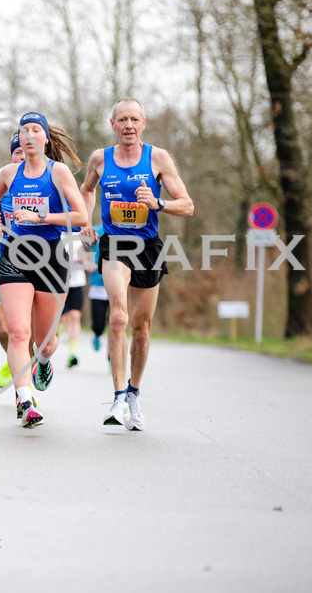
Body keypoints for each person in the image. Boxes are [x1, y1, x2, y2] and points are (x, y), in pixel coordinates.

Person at [79, 98, 194, 431]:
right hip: (114, 244)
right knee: (118, 317)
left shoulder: (157, 158)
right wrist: (87, 220)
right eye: (122, 120)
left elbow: (187, 206)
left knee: (141, 330)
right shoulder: (100, 159)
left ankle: (133, 394)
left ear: (144, 123)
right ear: (112, 124)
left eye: (134, 119)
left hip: (148, 246)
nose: (128, 125)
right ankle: (116, 397)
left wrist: (157, 203)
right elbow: (87, 190)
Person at [0, 113, 87, 428]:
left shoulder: (59, 172)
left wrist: (41, 218)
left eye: (35, 129)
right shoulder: (8, 173)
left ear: (45, 140)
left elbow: (80, 217)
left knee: (45, 341)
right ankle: (25, 400)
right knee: (17, 332)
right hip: (15, 255)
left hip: (52, 257)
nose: (29, 134)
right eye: (23, 130)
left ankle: (43, 362)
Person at [0, 132, 31, 392]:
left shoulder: (49, 174)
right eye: (17, 151)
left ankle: (30, 363)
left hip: (44, 259)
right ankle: (15, 360)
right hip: (6, 257)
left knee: (31, 331)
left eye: (26, 150)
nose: (22, 156)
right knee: (6, 328)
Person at [57, 234, 89, 369]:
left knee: (75, 317)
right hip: (58, 284)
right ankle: (59, 332)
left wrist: (86, 262)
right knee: (60, 318)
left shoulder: (79, 237)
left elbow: (87, 262)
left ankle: (72, 353)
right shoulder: (56, 234)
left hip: (76, 284)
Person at [86, 225, 110, 366]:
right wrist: (86, 262)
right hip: (98, 283)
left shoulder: (125, 230)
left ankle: (112, 359)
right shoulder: (97, 230)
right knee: (99, 323)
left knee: (116, 324)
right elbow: (81, 248)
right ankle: (97, 334)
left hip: (118, 283)